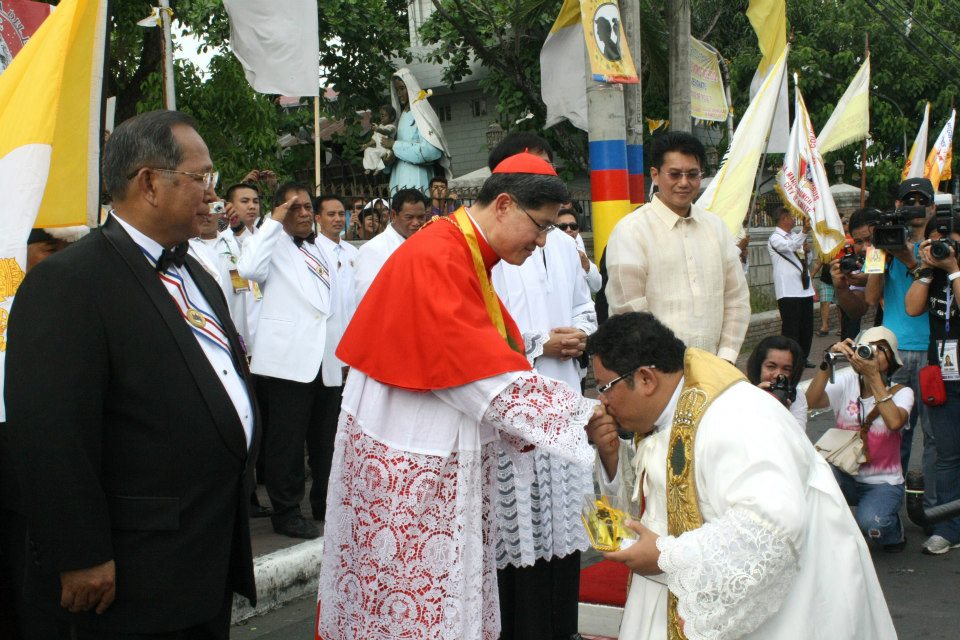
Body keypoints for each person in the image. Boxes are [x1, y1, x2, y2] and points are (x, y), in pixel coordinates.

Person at [314, 153, 598, 640]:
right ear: (505, 205)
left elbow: (498, 353)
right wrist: (588, 418)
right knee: (413, 610)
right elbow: (477, 375)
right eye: (541, 226)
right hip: (409, 467)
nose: (542, 241)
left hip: (425, 453)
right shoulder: (439, 254)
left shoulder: (464, 251)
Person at [4, 110, 258, 637]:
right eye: (201, 177)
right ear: (149, 183)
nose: (213, 194)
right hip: (134, 569)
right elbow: (51, 434)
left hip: (205, 556)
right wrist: (80, 553)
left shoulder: (197, 275)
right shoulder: (70, 282)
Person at [586, 312, 896, 640]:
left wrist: (665, 556)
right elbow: (660, 500)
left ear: (647, 379)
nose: (601, 400)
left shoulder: (738, 417)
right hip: (674, 590)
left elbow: (771, 528)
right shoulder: (669, 411)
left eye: (605, 387)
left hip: (786, 611)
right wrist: (610, 457)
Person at [490, 200, 597, 640]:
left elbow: (585, 306)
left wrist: (579, 335)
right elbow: (484, 328)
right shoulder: (493, 253)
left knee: (563, 536)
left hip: (564, 395)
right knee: (520, 538)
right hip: (514, 406)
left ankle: (562, 629)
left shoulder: (565, 245)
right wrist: (538, 344)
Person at [1, 225, 89, 640]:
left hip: (29, 445)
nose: (59, 259)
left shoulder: (66, 293)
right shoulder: (12, 276)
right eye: (49, 249)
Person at [236, 183, 337, 539]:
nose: (306, 213)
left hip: (324, 361)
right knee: (287, 444)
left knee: (325, 441)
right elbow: (248, 269)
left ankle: (324, 502)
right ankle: (286, 511)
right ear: (280, 211)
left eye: (308, 206)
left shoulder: (321, 248)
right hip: (286, 360)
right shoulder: (267, 242)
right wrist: (274, 222)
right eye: (296, 208)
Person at [605, 131, 750, 362]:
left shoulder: (716, 228)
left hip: (713, 370)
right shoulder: (631, 231)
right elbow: (629, 311)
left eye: (692, 174)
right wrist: (667, 370)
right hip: (653, 373)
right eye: (674, 174)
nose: (684, 182)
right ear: (655, 175)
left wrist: (726, 359)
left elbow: (736, 299)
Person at [805, 328, 913, 552]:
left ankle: (893, 530)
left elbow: (894, 422)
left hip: (883, 484)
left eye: (879, 349)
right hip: (846, 473)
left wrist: (873, 377)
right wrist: (828, 363)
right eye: (866, 348)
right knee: (815, 475)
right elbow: (812, 401)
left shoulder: (903, 392)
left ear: (891, 358)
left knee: (874, 526)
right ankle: (834, 532)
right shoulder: (846, 381)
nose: (871, 353)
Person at [865, 177, 936, 507]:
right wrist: (879, 257)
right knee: (895, 432)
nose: (914, 207)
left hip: (932, 349)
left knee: (936, 436)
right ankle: (889, 505)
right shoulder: (883, 242)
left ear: (932, 207)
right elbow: (870, 298)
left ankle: (936, 507)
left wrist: (908, 256)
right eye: (908, 200)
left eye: (921, 201)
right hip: (892, 351)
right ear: (898, 205)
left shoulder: (940, 245)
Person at [905, 213, 960, 554]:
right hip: (942, 376)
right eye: (936, 242)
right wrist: (928, 268)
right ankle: (948, 527)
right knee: (946, 454)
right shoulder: (931, 274)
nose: (943, 248)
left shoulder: (953, 273)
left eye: (950, 242)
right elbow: (912, 308)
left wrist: (954, 269)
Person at [381, 68, 452, 193]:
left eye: (402, 88)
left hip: (418, 177)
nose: (399, 93)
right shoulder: (399, 116)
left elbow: (432, 151)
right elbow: (391, 154)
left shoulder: (423, 113)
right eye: (397, 90)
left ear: (410, 87)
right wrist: (388, 159)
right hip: (398, 179)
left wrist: (395, 145)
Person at [353, 188, 428, 301]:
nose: (416, 223)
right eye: (409, 217)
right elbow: (367, 299)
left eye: (421, 217)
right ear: (393, 215)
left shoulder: (425, 244)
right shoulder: (373, 249)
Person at [768, 207, 816, 366]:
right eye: (790, 216)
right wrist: (804, 232)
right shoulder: (775, 238)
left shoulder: (795, 236)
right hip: (788, 290)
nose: (793, 219)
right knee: (791, 328)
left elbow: (806, 262)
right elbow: (788, 247)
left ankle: (803, 357)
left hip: (804, 289)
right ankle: (790, 359)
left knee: (806, 327)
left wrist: (808, 253)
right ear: (782, 218)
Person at [745, 335, 808, 430]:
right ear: (758, 367)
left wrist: (783, 413)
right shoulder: (741, 392)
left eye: (786, 369)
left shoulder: (796, 396)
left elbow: (797, 439)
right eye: (771, 366)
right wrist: (755, 401)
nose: (777, 375)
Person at [558, 203, 602, 294]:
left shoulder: (579, 246)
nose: (569, 230)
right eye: (563, 227)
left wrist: (587, 266)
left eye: (573, 226)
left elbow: (597, 286)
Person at [362, 105, 397, 175]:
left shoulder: (392, 127)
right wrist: (367, 145)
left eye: (384, 116)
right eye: (381, 115)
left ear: (392, 117)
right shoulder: (380, 126)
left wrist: (378, 129)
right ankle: (369, 167)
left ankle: (379, 168)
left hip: (385, 150)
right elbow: (374, 140)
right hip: (378, 149)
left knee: (373, 153)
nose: (382, 118)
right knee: (367, 150)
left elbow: (386, 131)